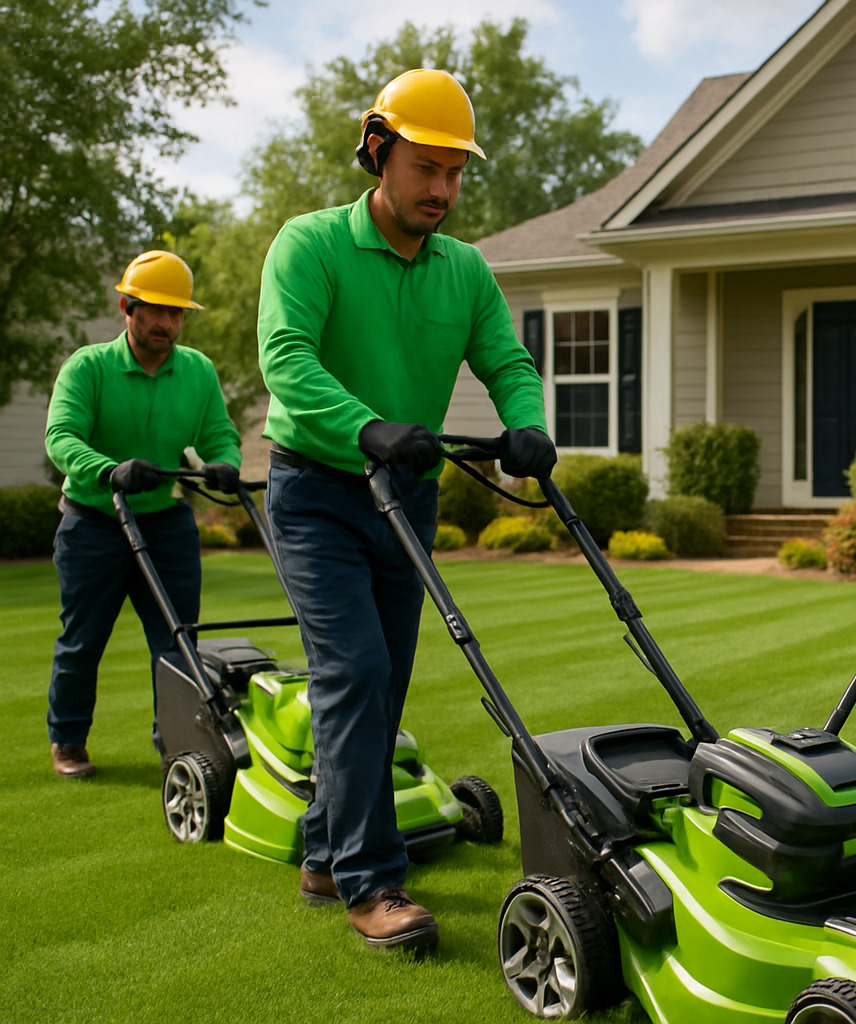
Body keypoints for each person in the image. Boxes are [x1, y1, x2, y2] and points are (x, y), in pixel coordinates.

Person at [257, 68, 555, 953]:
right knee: (353, 672)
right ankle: (370, 881)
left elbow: (507, 361)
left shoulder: (463, 270)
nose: (444, 190)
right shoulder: (308, 246)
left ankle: (324, 849)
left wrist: (527, 426)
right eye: (428, 168)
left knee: (382, 680)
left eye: (457, 173)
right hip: (316, 490)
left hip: (407, 495)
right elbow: (286, 359)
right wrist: (367, 425)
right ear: (378, 153)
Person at [43, 250, 242, 778]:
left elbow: (218, 434)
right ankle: (68, 741)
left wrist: (224, 464)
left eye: (177, 313)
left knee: (179, 643)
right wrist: (110, 471)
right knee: (82, 641)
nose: (167, 323)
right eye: (155, 310)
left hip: (165, 523)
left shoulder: (197, 370)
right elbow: (60, 439)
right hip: (93, 522)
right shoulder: (88, 368)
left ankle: (178, 747)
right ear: (128, 308)